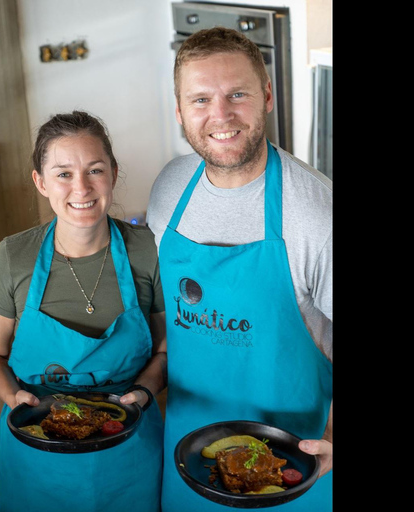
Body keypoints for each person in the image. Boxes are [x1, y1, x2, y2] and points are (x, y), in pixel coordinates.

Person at [146, 27, 333, 511]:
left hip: (293, 468)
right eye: (201, 99)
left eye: (237, 94)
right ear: (180, 111)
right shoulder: (168, 191)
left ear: (267, 96)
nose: (220, 115)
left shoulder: (316, 213)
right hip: (190, 460)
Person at [0, 110, 166, 512]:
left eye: (95, 170)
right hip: (35, 447)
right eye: (63, 173)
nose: (82, 187)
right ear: (40, 182)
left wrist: (142, 392)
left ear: (114, 173)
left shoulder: (147, 249)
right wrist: (13, 397)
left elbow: (164, 351)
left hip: (128, 444)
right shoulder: (13, 256)